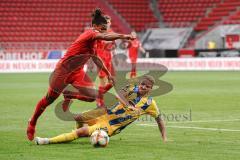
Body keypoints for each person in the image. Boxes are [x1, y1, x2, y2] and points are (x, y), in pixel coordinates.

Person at [27, 8, 136, 141]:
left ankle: (69, 93)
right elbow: (104, 36)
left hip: (77, 72)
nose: (104, 31)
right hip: (63, 71)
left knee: (91, 97)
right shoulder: (89, 33)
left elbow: (96, 58)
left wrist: (108, 74)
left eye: (105, 28)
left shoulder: (94, 42)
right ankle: (32, 122)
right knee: (48, 100)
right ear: (95, 26)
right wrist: (123, 36)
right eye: (102, 28)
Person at [34, 75, 167, 145]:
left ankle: (47, 141)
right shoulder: (131, 88)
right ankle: (82, 134)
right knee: (77, 118)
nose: (143, 87)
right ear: (140, 84)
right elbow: (119, 94)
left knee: (81, 131)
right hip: (103, 113)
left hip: (111, 125)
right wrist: (128, 105)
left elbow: (159, 120)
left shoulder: (150, 104)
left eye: (147, 86)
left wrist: (164, 137)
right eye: (143, 84)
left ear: (151, 88)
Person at [96, 15, 116, 107]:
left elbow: (113, 45)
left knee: (111, 82)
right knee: (103, 81)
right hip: (101, 58)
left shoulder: (111, 32)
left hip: (109, 59)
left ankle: (100, 97)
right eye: (106, 22)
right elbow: (103, 41)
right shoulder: (99, 32)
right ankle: (100, 101)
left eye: (109, 22)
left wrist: (114, 54)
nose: (108, 24)